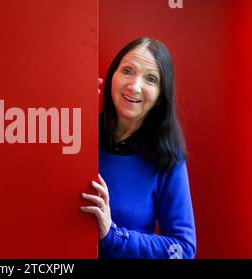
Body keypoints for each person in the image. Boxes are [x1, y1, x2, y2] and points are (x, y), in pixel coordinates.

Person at [80, 37, 196, 259]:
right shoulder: (77, 134)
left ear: (161, 96)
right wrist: (74, 112)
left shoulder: (167, 157)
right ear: (111, 77)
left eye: (150, 79)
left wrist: (112, 234)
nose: (134, 86)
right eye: (127, 71)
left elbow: (183, 248)